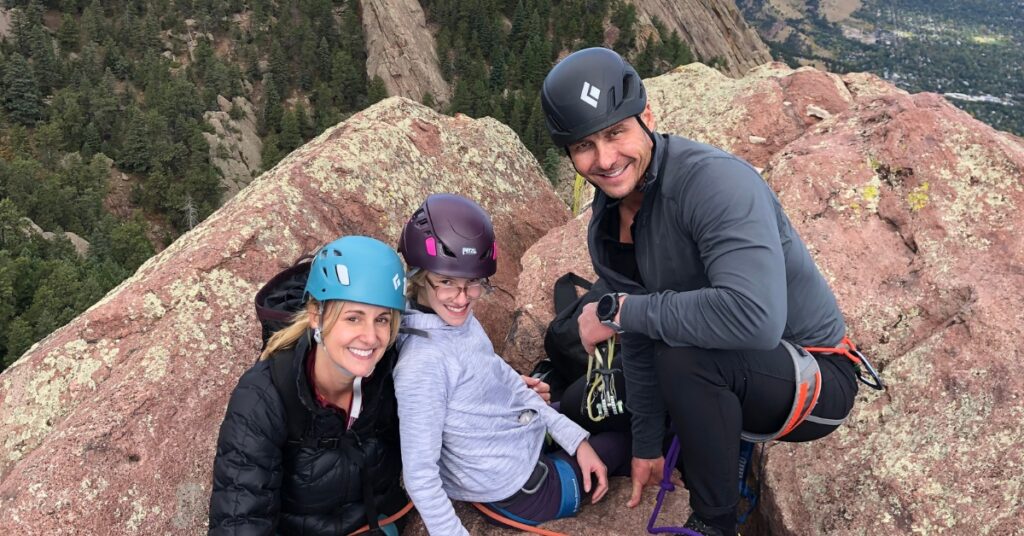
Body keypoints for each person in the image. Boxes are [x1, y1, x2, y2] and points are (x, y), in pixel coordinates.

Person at [540, 48, 862, 536]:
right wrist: (646, 445)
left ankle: (716, 522)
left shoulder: (715, 184)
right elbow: (641, 332)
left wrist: (627, 312)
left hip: (815, 375)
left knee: (685, 360)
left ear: (646, 117)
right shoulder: (610, 224)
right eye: (584, 145)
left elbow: (756, 318)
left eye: (615, 132)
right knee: (587, 397)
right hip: (726, 357)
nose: (605, 159)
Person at [392, 193, 629, 535]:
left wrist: (575, 440)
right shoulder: (421, 365)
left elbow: (497, 371)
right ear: (417, 277)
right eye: (446, 282)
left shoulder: (455, 321)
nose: (462, 298)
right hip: (521, 491)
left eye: (473, 283)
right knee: (623, 439)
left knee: (595, 411)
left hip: (518, 436)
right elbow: (420, 475)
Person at [209, 236, 409, 536]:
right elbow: (240, 521)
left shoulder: (391, 374)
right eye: (353, 318)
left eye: (382, 319)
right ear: (316, 316)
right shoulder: (264, 398)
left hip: (378, 522)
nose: (370, 337)